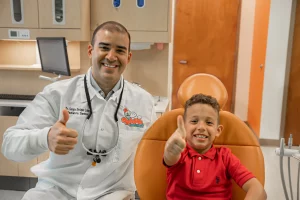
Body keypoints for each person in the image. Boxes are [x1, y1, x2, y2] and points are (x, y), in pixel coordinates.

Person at [1, 21, 156, 200]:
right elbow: (10, 144)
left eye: (120, 50)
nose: (111, 56)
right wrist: (45, 138)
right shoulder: (57, 94)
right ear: (90, 51)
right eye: (104, 47)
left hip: (112, 194)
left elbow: (153, 154)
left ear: (128, 57)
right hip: (56, 191)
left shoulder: (143, 103)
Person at [163, 94, 267, 200]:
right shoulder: (180, 153)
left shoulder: (225, 157)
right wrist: (171, 150)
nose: (201, 127)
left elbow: (258, 189)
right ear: (184, 127)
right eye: (194, 121)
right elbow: (170, 158)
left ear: (218, 130)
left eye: (209, 123)